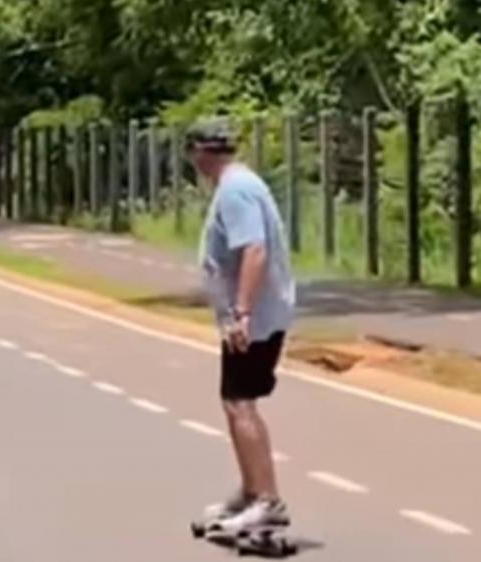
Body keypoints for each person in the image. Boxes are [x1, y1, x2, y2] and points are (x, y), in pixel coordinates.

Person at [186, 119, 296, 533]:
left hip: (255, 319)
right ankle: (251, 492)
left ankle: (267, 500)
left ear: (201, 152)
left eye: (192, 152)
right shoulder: (240, 184)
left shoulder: (235, 190)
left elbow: (254, 251)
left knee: (240, 403)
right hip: (254, 315)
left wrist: (242, 313)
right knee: (235, 400)